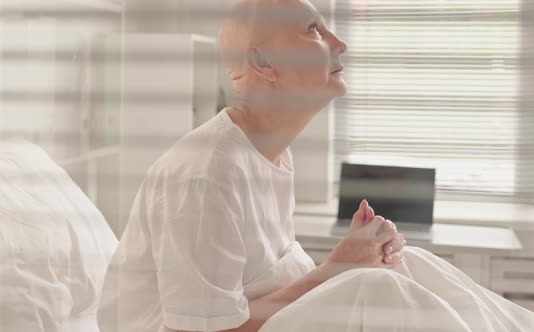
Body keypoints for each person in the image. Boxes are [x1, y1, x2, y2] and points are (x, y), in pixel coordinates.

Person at [98, 0, 534, 331]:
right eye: (313, 30)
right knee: (374, 287)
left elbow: (266, 282)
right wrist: (340, 269)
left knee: (406, 263)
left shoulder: (271, 153)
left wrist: (357, 256)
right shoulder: (205, 173)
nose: (340, 43)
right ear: (263, 63)